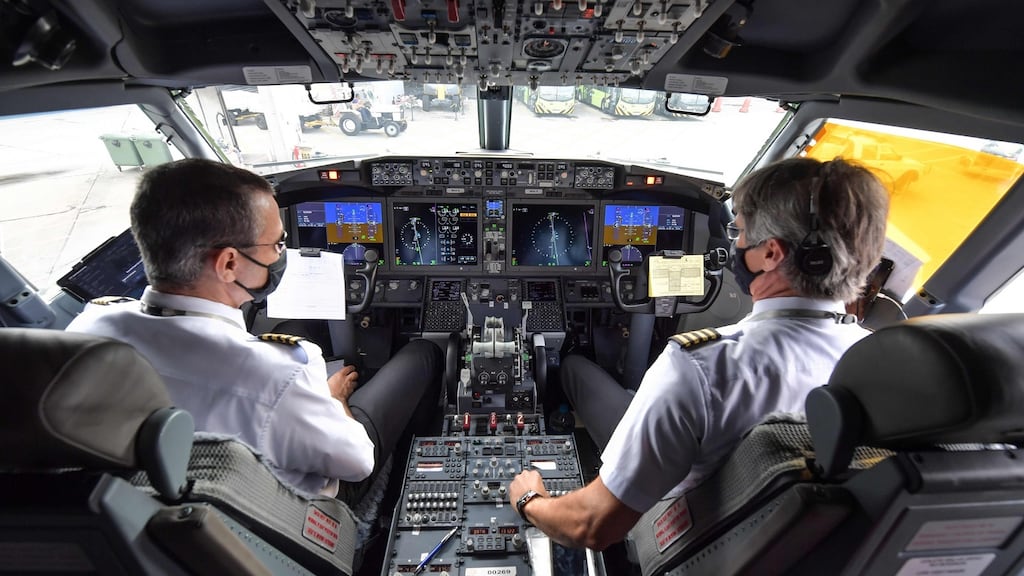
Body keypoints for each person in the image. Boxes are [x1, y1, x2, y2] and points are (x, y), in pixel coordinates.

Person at [509, 157, 890, 549]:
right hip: (797, 549)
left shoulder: (701, 368)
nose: (734, 244)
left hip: (683, 537)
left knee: (573, 365)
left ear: (771, 254)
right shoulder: (884, 366)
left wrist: (529, 498)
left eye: (739, 233)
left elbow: (589, 526)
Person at [67, 158, 442, 502]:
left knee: (297, 325)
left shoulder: (90, 326)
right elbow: (357, 463)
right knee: (422, 354)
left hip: (161, 496)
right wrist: (333, 401)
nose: (281, 255)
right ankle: (403, 478)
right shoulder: (278, 373)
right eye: (278, 244)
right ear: (229, 263)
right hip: (298, 507)